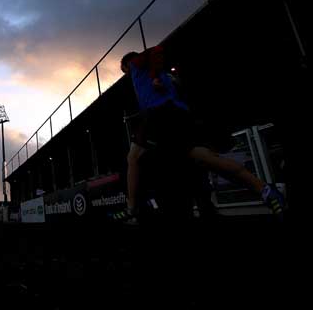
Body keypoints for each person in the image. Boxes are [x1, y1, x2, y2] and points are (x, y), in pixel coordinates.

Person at [113, 46, 285, 224]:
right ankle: (265, 190)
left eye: (125, 71)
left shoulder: (136, 65)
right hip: (174, 114)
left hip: (161, 114)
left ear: (128, 64)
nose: (128, 75)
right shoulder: (164, 76)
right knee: (202, 157)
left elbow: (155, 50)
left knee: (136, 157)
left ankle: (133, 207)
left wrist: (155, 77)